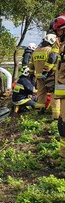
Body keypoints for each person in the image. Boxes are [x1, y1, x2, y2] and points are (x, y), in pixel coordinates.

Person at [29, 33, 60, 119]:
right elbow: (52, 60)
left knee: (41, 93)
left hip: (39, 77)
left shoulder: (35, 51)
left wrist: (31, 74)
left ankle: (40, 110)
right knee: (54, 94)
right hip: (50, 75)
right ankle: (56, 115)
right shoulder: (50, 50)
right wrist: (46, 71)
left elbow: (31, 64)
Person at [52, 14, 65, 158]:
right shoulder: (61, 46)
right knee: (62, 125)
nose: (57, 35)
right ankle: (63, 156)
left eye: (59, 31)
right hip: (62, 94)